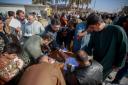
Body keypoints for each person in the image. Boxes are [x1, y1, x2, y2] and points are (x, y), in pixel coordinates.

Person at [83, 13, 128, 80]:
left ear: (98, 24)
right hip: (96, 61)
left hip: (108, 64)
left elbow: (123, 49)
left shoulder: (117, 30)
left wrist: (118, 64)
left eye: (92, 27)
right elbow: (90, 44)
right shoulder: (95, 32)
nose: (92, 30)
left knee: (99, 79)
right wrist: (84, 55)